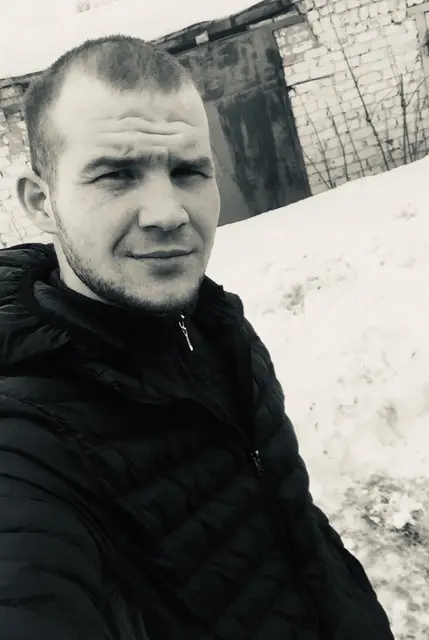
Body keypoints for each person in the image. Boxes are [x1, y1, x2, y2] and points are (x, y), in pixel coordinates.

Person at [0, 35, 394, 640]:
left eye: (188, 171)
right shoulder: (23, 442)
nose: (168, 213)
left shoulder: (215, 326)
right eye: (116, 175)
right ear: (41, 203)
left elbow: (291, 522)